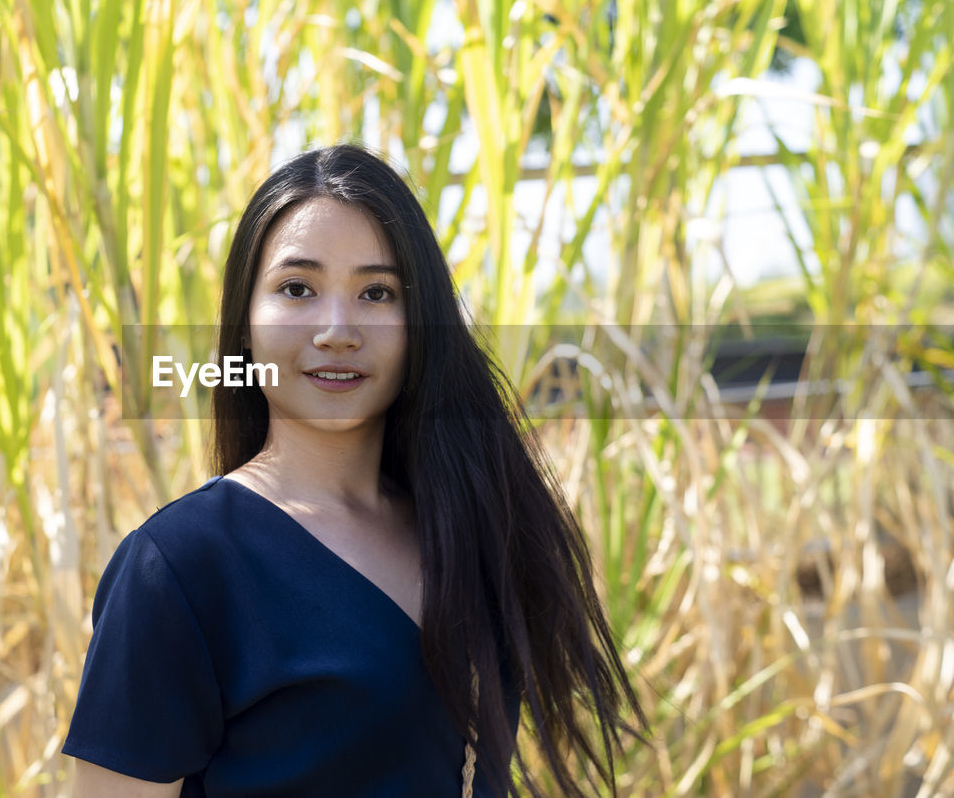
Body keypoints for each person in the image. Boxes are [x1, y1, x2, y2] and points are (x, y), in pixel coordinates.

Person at [64, 144, 644, 797]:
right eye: (297, 289)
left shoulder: (472, 519)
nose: (338, 329)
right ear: (245, 328)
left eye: (376, 292)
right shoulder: (179, 566)